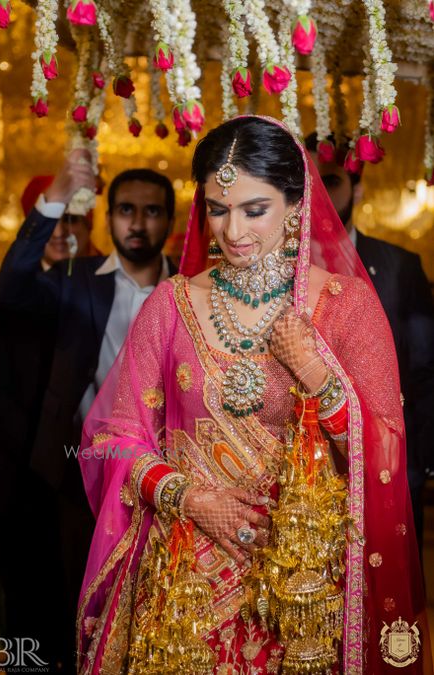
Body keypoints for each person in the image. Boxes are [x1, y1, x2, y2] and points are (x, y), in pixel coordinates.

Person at [77, 117, 432, 674]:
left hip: (303, 591)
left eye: (254, 209)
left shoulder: (347, 307)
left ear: (296, 204)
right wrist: (189, 499)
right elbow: (113, 438)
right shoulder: (171, 306)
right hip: (183, 592)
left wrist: (315, 371)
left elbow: (385, 451)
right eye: (218, 209)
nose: (233, 230)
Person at [0, 155, 177, 672]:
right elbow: (7, 291)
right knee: (76, 601)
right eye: (125, 210)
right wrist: (56, 195)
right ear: (108, 215)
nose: (137, 223)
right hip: (77, 471)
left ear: (170, 220)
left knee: (155, 608)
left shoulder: (189, 289)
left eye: (151, 211)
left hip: (170, 476)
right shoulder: (76, 280)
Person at [305, 131, 434, 554]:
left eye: (332, 181)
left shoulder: (399, 267)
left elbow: (423, 368)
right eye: (310, 182)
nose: (319, 194)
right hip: (302, 461)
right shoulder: (280, 267)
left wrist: (415, 460)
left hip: (388, 456)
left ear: (357, 187)